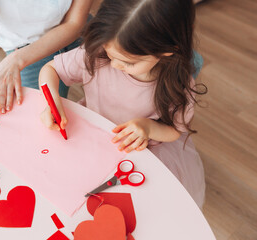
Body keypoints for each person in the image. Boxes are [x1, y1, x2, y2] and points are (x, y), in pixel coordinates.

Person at [39, 0, 207, 208]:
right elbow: (51, 69)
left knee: (132, 207)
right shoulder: (97, 54)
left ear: (167, 50)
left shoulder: (178, 84)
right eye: (111, 54)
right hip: (93, 135)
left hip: (142, 153)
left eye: (129, 62)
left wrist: (147, 127)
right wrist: (53, 99)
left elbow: (174, 131)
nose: (116, 65)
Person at [0, 0, 92, 113]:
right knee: (42, 119)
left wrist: (16, 60)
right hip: (26, 49)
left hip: (80, 32)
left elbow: (74, 23)